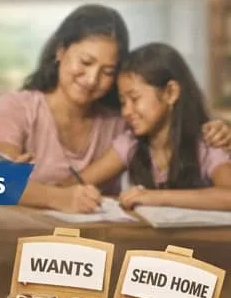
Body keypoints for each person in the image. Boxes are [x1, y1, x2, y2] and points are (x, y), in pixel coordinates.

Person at [0, 4, 231, 213]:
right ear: (60, 51)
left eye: (108, 72)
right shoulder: (15, 107)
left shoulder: (122, 122)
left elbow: (169, 122)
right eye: (86, 62)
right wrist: (57, 197)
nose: (91, 79)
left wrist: (219, 129)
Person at [65, 42, 231, 210]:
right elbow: (72, 185)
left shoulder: (207, 142)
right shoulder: (131, 144)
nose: (126, 112)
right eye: (123, 102)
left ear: (170, 93)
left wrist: (155, 197)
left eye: (135, 98)